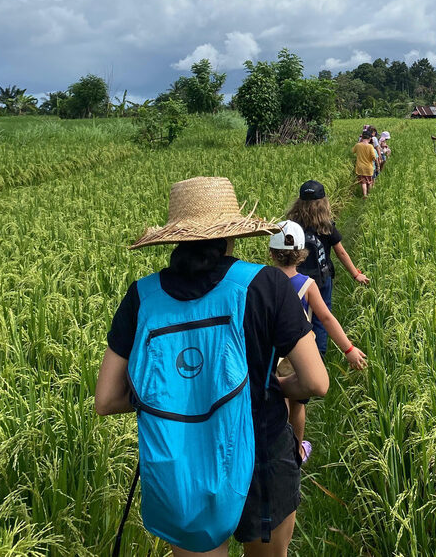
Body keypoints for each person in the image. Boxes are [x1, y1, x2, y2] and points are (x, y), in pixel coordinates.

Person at [95, 176, 329, 557]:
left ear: (174, 239)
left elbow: (106, 399)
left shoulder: (143, 296)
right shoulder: (265, 284)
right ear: (230, 234)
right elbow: (317, 383)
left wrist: (179, 395)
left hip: (180, 464)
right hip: (261, 458)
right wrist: (279, 386)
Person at [269, 220, 367, 463]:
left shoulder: (264, 282)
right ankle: (297, 451)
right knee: (298, 405)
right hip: (299, 354)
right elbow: (326, 317)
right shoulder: (307, 285)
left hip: (272, 353)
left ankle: (276, 452)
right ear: (302, 254)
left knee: (278, 402)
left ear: (271, 252)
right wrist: (349, 348)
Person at [287, 180, 369, 358]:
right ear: (323, 202)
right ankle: (318, 355)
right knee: (322, 316)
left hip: (297, 281)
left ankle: (298, 355)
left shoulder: (292, 226)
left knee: (297, 317)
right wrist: (356, 274)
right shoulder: (326, 225)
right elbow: (341, 253)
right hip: (322, 280)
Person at [352, 132, 377, 198]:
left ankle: (365, 195)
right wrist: (378, 165)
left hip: (360, 167)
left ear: (362, 137)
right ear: (369, 138)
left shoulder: (358, 145)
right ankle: (370, 195)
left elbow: (352, 151)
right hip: (369, 167)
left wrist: (359, 142)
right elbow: (374, 157)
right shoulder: (370, 146)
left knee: (363, 182)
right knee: (369, 182)